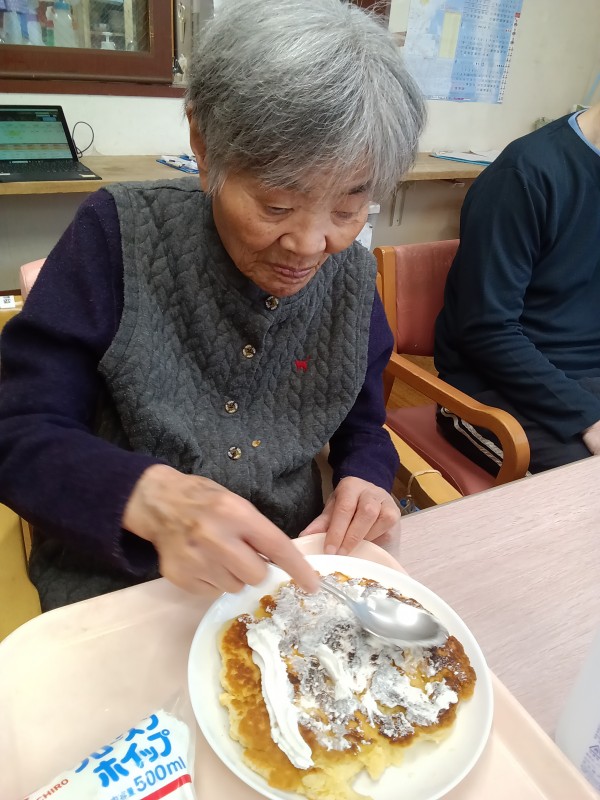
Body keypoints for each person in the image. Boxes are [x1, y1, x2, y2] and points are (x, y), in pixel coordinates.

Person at [0, 0, 426, 610]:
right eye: (277, 206)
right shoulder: (117, 236)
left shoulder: (352, 275)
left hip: (288, 571)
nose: (311, 245)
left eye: (348, 208)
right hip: (123, 580)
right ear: (203, 145)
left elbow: (362, 419)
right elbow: (18, 430)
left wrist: (366, 474)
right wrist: (149, 498)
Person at [435, 103, 600, 475]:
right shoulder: (526, 174)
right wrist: (588, 418)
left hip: (588, 378)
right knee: (586, 490)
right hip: (495, 389)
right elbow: (487, 330)